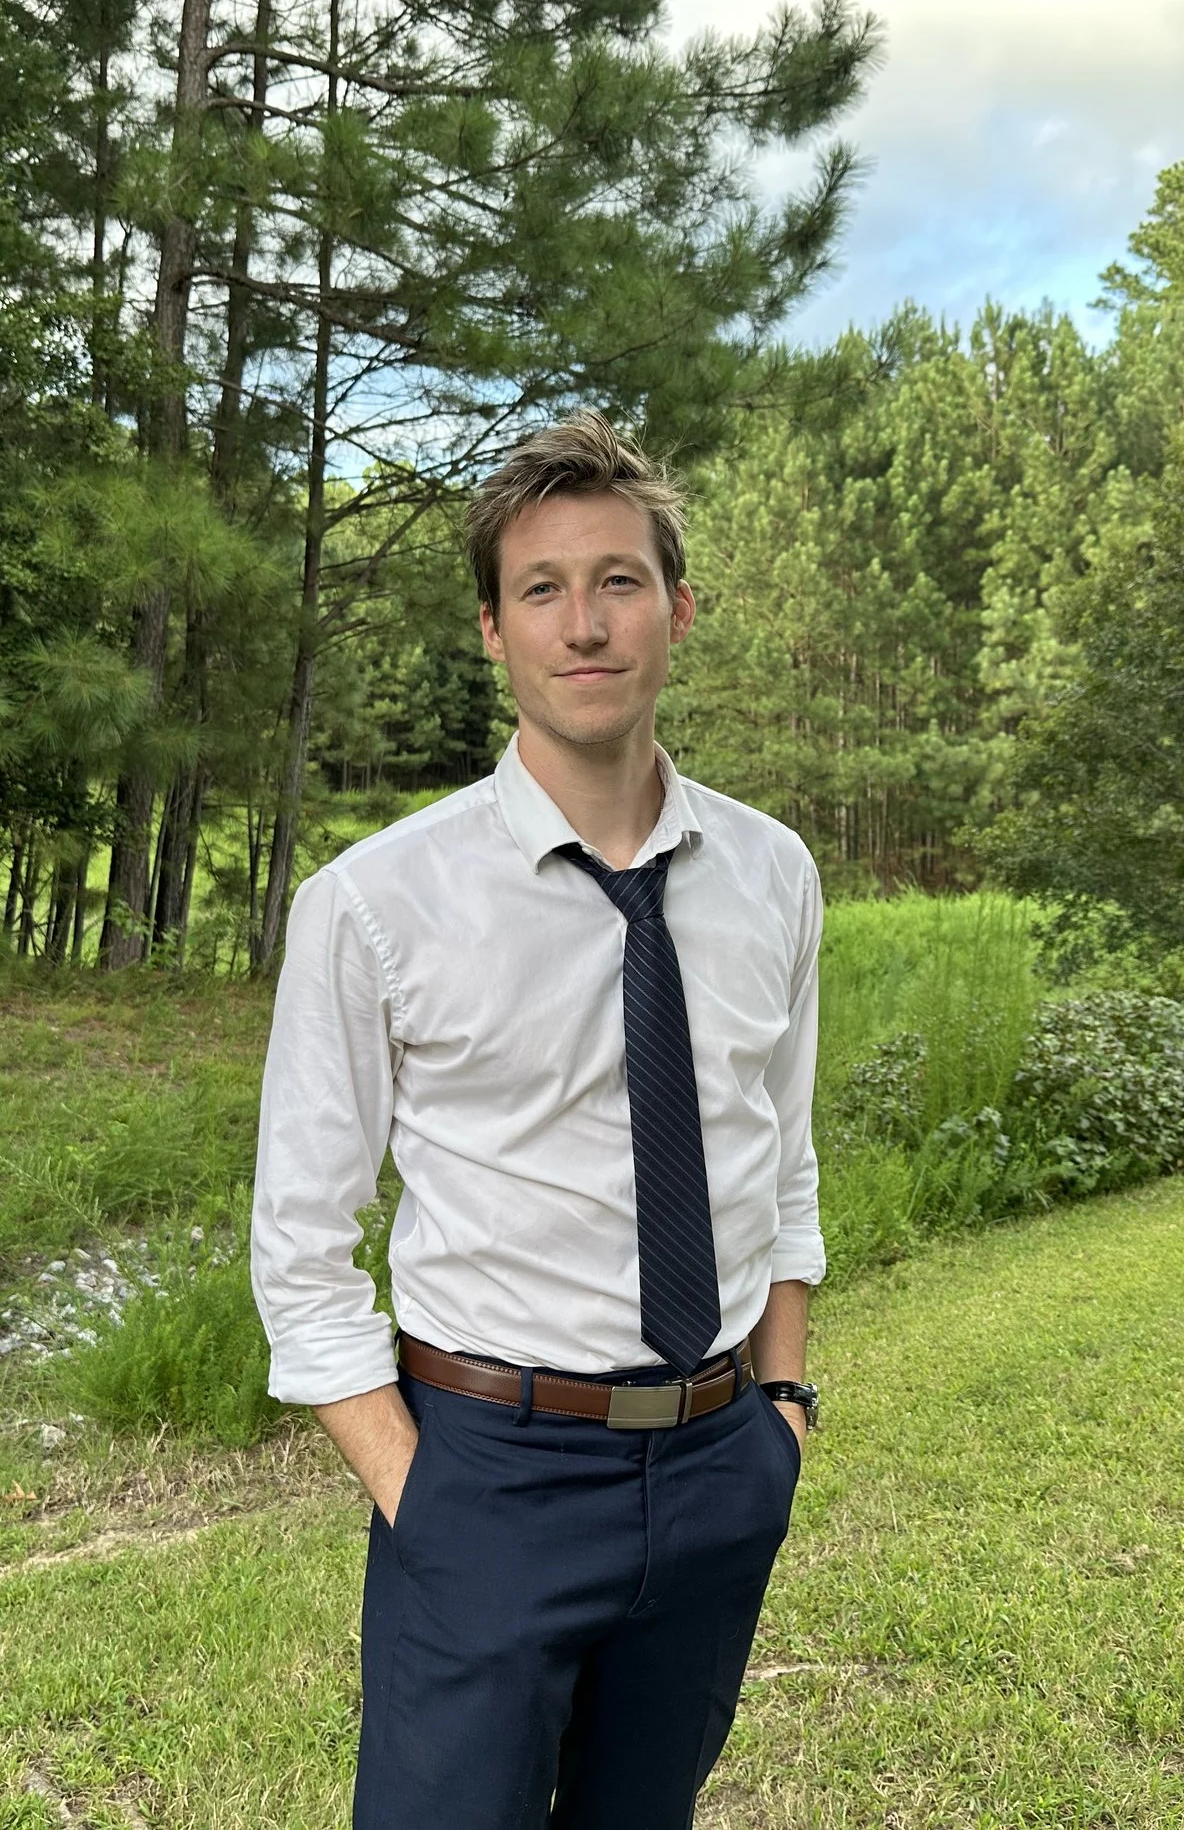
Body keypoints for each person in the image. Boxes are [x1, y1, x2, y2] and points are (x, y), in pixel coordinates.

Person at [250, 409, 825, 1829]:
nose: (587, 622)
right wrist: (419, 1493)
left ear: (679, 609)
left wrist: (786, 1408)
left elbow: (782, 1154)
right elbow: (301, 1246)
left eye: (619, 580)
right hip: (490, 1470)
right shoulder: (378, 902)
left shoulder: (772, 874)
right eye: (543, 589)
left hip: (715, 1456)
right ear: (494, 632)